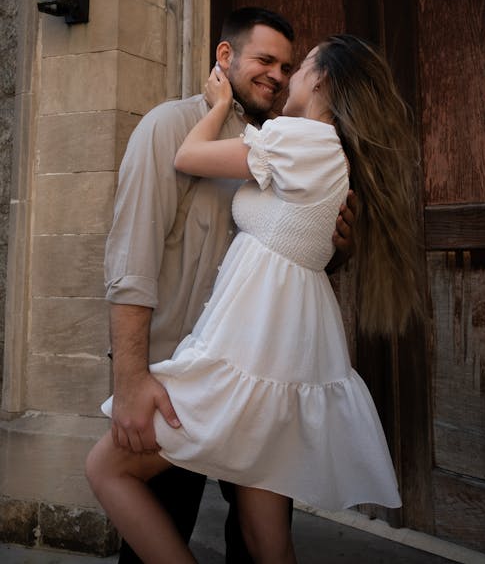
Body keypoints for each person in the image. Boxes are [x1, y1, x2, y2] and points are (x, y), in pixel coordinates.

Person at [87, 34, 420, 564]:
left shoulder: (295, 137)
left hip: (243, 352)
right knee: (268, 541)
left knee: (106, 469)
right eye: (268, 61)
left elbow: (190, 155)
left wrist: (219, 105)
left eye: (297, 65)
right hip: (275, 359)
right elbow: (296, 241)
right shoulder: (329, 154)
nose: (285, 75)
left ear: (323, 81)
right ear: (225, 56)